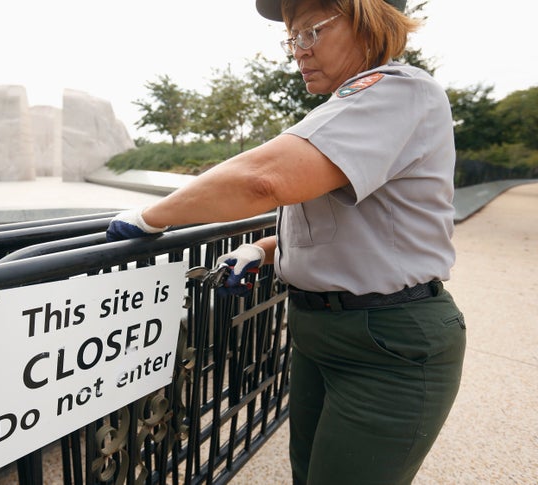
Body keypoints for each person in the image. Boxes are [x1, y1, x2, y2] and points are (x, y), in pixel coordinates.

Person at [106, 0, 466, 483]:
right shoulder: (351, 106)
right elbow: (352, 229)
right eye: (292, 39)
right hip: (324, 335)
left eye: (310, 33)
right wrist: (262, 249)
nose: (297, 52)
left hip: (388, 346)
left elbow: (264, 180)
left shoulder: (399, 92)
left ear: (367, 19)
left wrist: (149, 218)